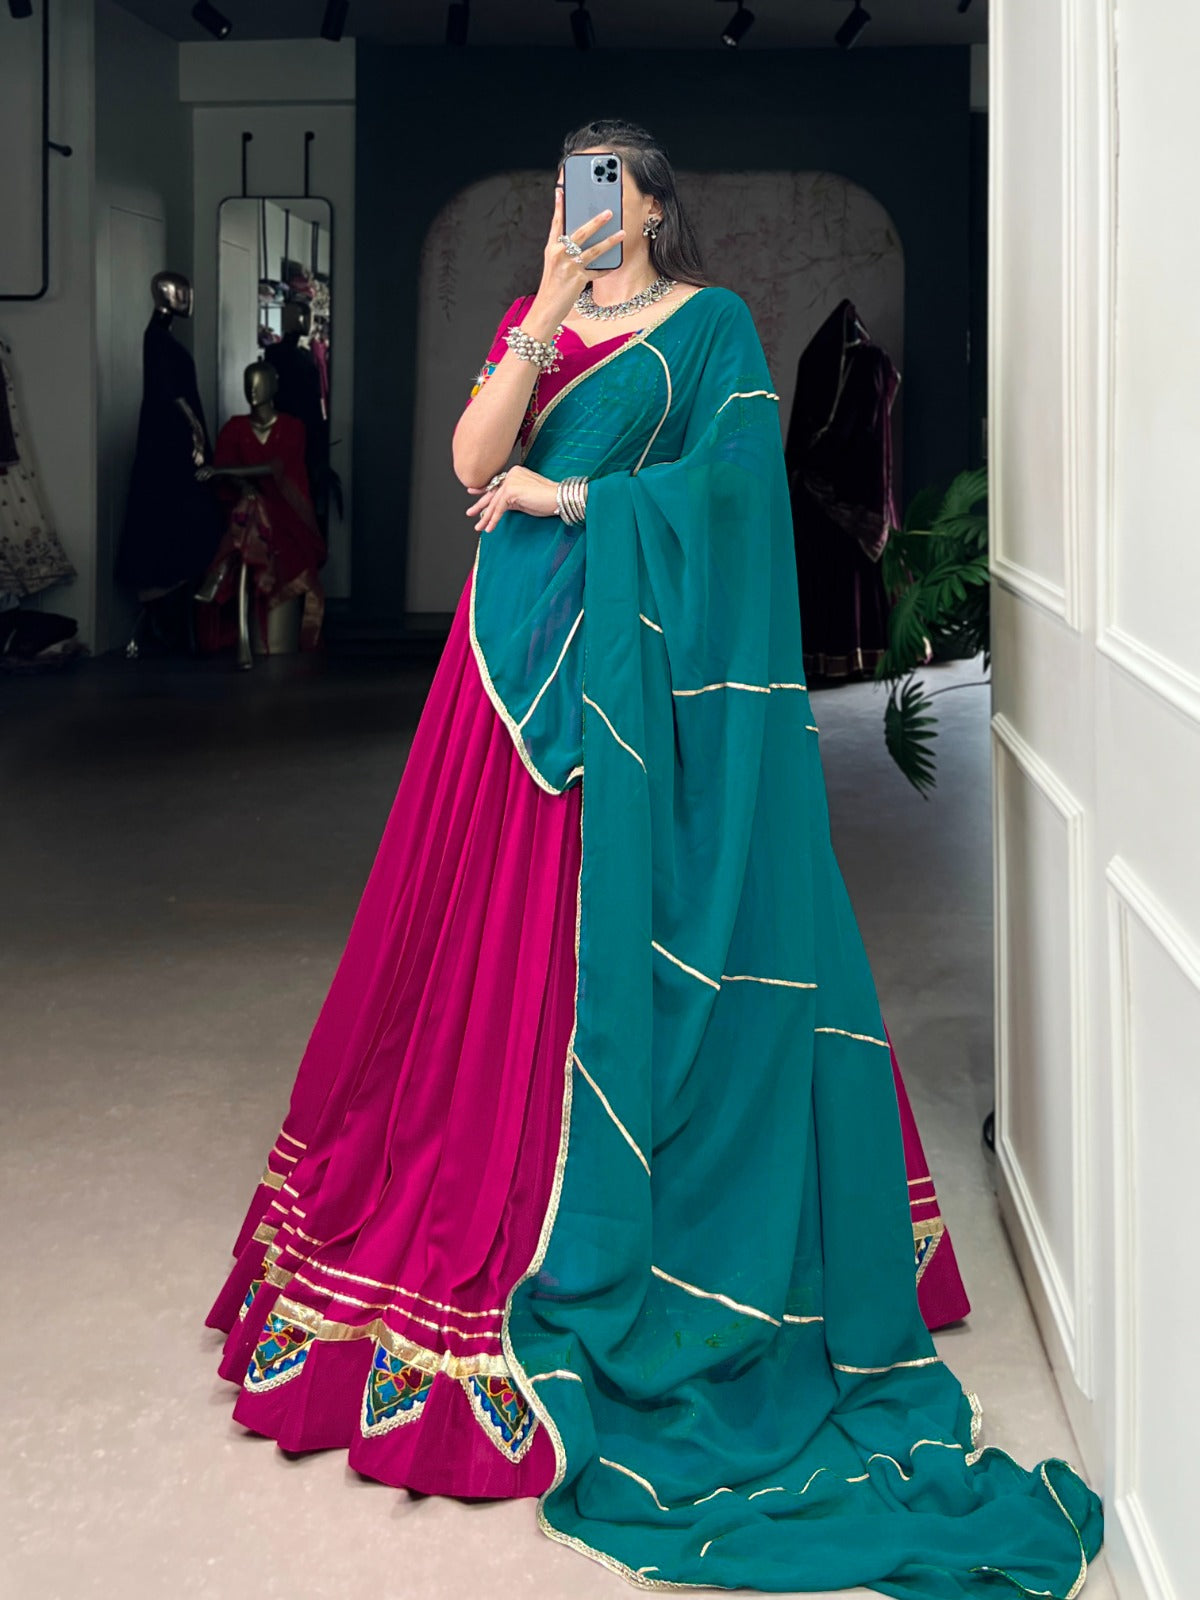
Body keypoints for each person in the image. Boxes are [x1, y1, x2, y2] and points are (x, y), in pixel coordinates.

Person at [207, 119, 1102, 1596]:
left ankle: (666, 1217)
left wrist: (574, 501)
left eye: (612, 183)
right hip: (507, 673)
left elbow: (738, 498)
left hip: (636, 675)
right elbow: (470, 460)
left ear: (658, 204)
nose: (590, 202)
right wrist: (545, 314)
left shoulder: (713, 328)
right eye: (572, 183)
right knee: (482, 953)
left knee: (633, 939)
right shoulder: (538, 317)